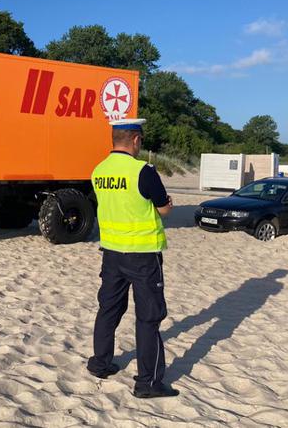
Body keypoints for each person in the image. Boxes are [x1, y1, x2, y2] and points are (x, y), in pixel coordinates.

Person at [87, 118, 178, 399]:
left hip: (112, 252)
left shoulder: (98, 170)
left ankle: (100, 363)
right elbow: (163, 210)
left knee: (108, 309)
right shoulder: (143, 171)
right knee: (149, 317)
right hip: (143, 254)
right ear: (136, 140)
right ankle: (147, 383)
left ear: (115, 139)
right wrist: (167, 205)